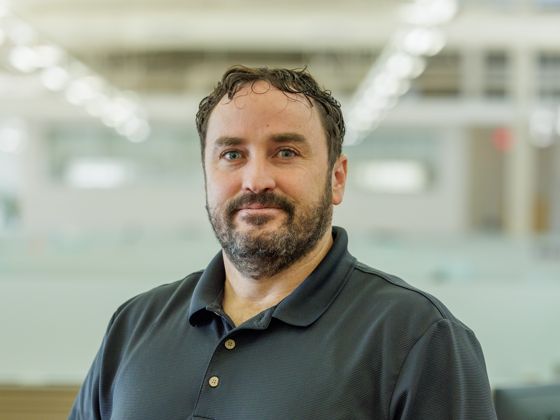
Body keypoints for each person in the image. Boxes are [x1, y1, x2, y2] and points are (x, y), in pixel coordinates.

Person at [69, 66, 497, 420]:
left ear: (336, 178)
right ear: (207, 175)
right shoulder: (135, 324)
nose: (256, 180)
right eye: (232, 155)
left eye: (286, 152)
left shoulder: (418, 337)